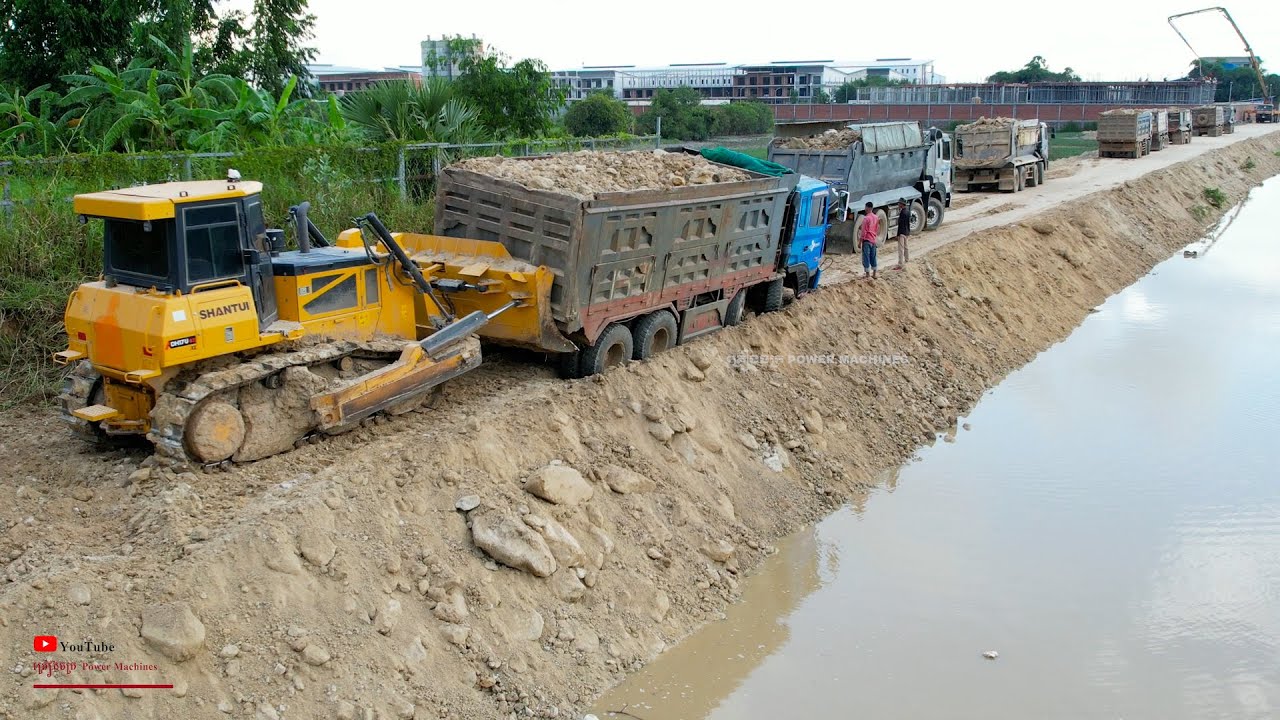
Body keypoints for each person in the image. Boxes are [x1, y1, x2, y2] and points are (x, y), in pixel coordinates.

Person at [857, 201, 879, 280]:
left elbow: (863, 232)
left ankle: (867, 274)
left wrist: (860, 242)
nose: (865, 208)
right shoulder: (876, 217)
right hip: (873, 240)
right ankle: (875, 273)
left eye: (865, 207)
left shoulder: (866, 218)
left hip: (866, 240)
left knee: (866, 257)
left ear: (867, 208)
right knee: (873, 256)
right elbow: (877, 229)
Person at [894, 199, 911, 269]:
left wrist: (898, 234)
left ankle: (900, 263)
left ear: (901, 204)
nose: (898, 204)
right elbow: (908, 223)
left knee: (900, 248)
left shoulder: (902, 213)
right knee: (906, 247)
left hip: (902, 232)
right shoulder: (908, 211)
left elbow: (900, 224)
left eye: (899, 203)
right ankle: (907, 259)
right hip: (906, 232)